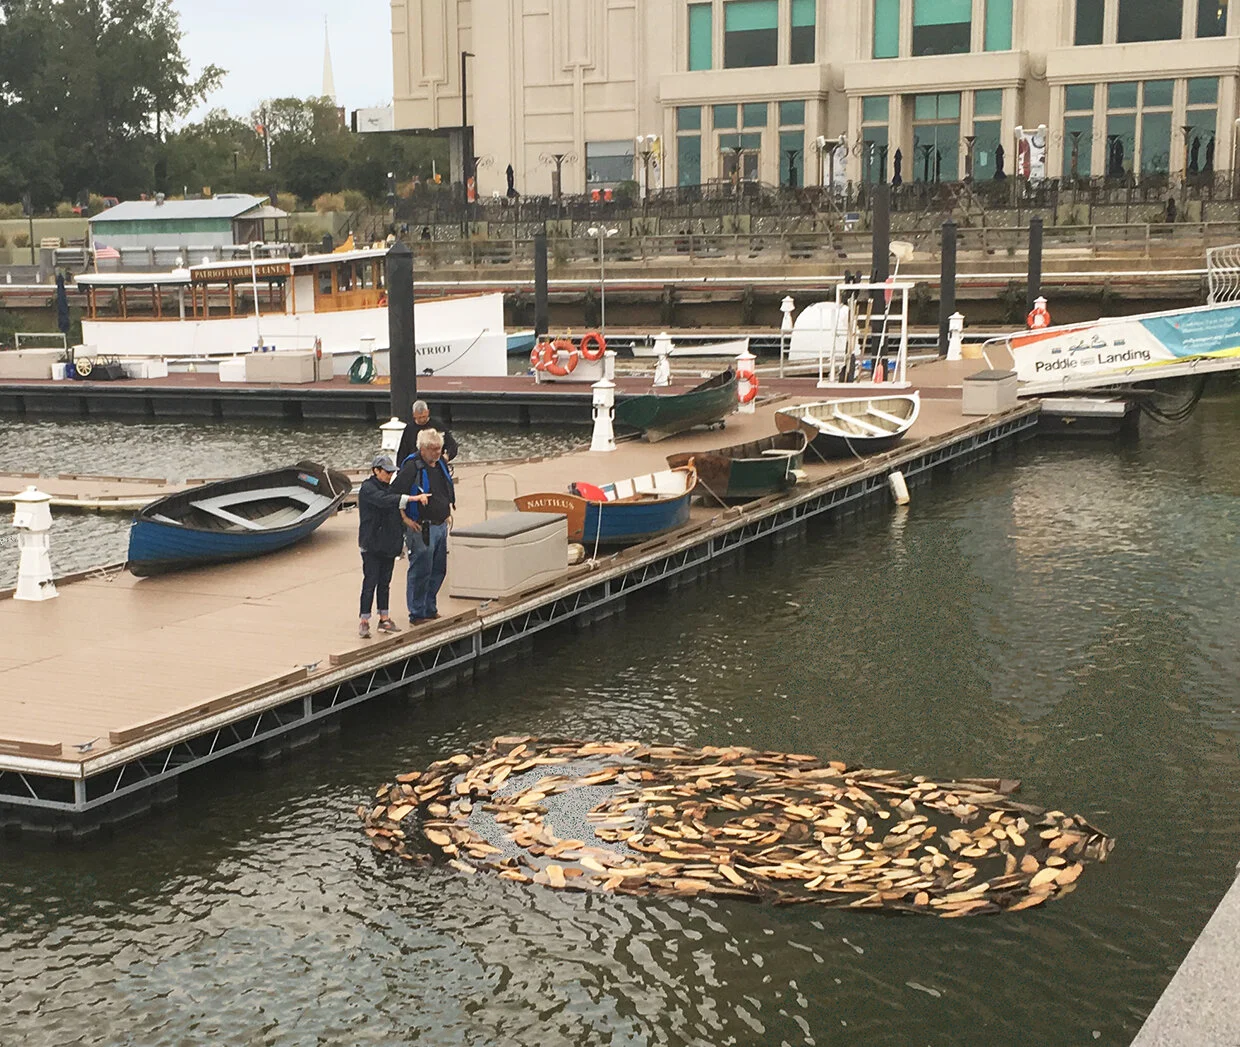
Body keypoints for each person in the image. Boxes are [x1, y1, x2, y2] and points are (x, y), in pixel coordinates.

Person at [356, 455, 428, 638]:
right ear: (376, 471)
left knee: (385, 583)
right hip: (371, 544)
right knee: (370, 582)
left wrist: (405, 522)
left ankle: (384, 618)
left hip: (388, 543)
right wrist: (412, 498)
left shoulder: (390, 489)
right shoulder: (367, 488)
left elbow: (395, 506)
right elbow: (384, 500)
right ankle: (364, 621)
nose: (390, 475)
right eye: (387, 472)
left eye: (392, 472)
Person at [394, 429, 454, 624]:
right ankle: (417, 612)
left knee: (439, 569)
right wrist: (404, 518)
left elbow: (443, 490)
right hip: (421, 527)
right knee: (421, 569)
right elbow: (395, 494)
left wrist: (446, 512)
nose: (437, 453)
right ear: (423, 448)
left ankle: (430, 607)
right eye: (433, 449)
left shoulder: (441, 464)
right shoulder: (412, 467)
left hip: (440, 525)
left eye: (439, 449)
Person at [395, 399, 459, 467]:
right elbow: (402, 452)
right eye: (419, 417)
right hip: (415, 465)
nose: (422, 420)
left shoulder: (438, 426)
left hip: (435, 464)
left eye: (424, 417)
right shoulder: (409, 429)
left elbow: (452, 445)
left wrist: (447, 456)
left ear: (428, 412)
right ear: (414, 415)